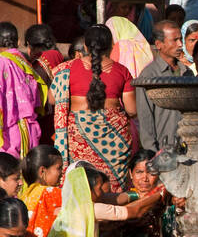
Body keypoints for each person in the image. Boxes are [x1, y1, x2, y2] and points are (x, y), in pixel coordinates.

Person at [52, 23, 138, 193]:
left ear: (85, 46)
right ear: (111, 46)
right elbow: (132, 110)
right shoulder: (122, 71)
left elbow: (52, 99)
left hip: (78, 139)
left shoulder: (66, 69)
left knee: (82, 183)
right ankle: (113, 214)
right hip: (114, 143)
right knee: (112, 188)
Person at [0, 22, 43, 163]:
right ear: (17, 42)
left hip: (5, 133)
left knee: (0, 177)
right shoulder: (25, 64)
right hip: (27, 131)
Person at [108, 149, 177, 237]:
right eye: (139, 172)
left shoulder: (168, 201)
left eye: (151, 173)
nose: (145, 178)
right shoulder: (125, 199)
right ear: (130, 173)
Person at [136, 21, 187, 154]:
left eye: (180, 39)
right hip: (163, 149)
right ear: (159, 44)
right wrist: (152, 152)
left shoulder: (186, 72)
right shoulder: (149, 76)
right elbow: (145, 117)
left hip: (187, 147)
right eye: (174, 40)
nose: (180, 44)